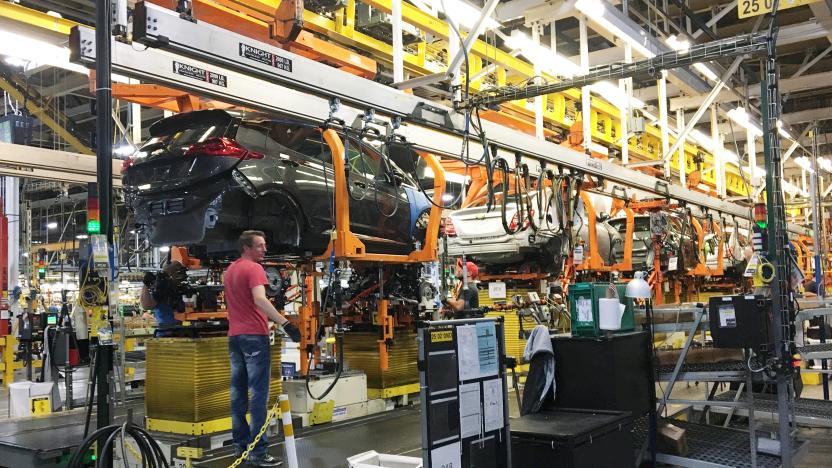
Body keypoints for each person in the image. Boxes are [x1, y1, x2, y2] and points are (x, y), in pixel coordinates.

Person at [225, 230, 301, 467]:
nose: (264, 249)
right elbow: (259, 299)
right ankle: (258, 453)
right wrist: (285, 323)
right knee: (258, 395)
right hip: (254, 337)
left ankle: (241, 448)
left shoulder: (230, 270)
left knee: (238, 393)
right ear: (247, 247)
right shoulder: (254, 269)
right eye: (260, 246)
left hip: (234, 337)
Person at [140, 260, 184, 337]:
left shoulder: (182, 289)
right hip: (167, 333)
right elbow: (147, 305)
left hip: (181, 331)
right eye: (177, 272)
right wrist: (146, 284)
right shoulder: (162, 289)